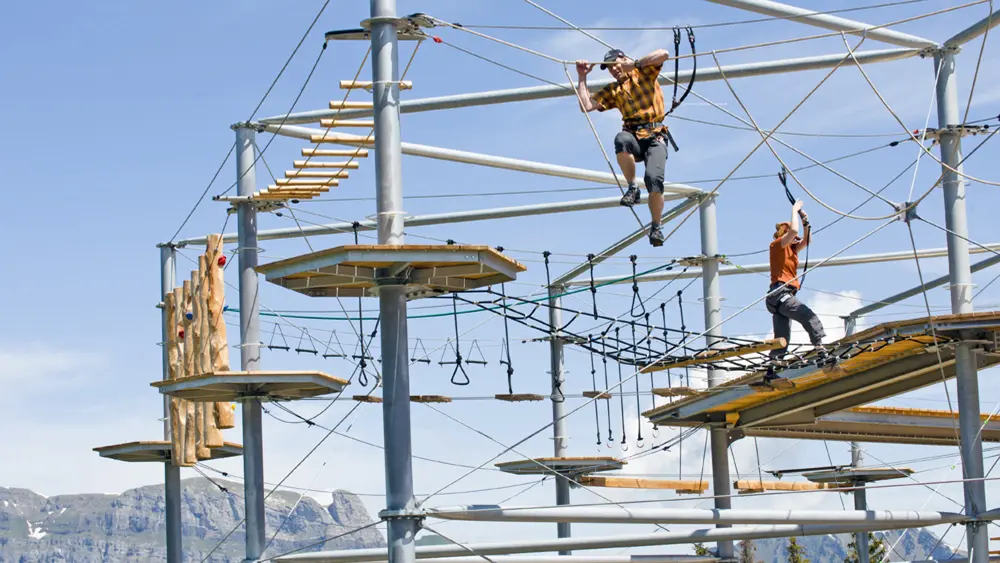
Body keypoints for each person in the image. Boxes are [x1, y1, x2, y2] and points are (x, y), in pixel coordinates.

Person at [575, 47, 671, 247]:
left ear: (624, 59)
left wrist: (635, 63)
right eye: (609, 69)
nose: (613, 70)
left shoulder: (644, 72)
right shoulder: (613, 90)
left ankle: (656, 226)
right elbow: (586, 105)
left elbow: (664, 54)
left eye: (615, 65)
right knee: (621, 139)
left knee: (654, 180)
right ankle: (632, 188)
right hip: (633, 136)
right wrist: (582, 77)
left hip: (655, 135)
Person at [765, 200, 826, 379]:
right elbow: (795, 232)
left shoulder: (791, 250)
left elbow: (806, 240)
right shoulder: (777, 245)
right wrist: (794, 209)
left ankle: (771, 372)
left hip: (781, 297)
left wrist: (806, 222)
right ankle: (820, 349)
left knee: (782, 338)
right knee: (807, 316)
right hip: (779, 293)